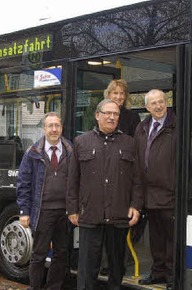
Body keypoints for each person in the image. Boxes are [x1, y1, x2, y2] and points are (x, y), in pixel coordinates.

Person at [67, 99, 143, 290]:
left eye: (115, 114)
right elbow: (73, 180)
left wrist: (136, 205)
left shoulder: (130, 143)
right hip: (90, 215)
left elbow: (138, 179)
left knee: (117, 268)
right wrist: (72, 209)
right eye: (107, 113)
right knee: (87, 268)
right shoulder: (81, 142)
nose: (111, 117)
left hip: (119, 215)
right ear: (97, 115)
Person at [16, 112, 73, 290]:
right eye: (50, 126)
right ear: (44, 129)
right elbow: (23, 184)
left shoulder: (71, 151)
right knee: (39, 254)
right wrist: (24, 211)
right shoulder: (33, 153)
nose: (54, 129)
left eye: (57, 125)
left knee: (61, 253)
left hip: (65, 212)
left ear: (61, 128)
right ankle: (34, 287)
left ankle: (54, 287)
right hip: (43, 211)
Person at [134, 89, 177, 290]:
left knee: (171, 238)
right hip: (149, 195)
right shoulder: (141, 128)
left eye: (161, 101)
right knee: (156, 238)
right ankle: (158, 272)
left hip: (169, 194)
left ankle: (171, 275)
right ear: (147, 107)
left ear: (166, 102)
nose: (159, 106)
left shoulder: (177, 126)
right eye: (154, 103)